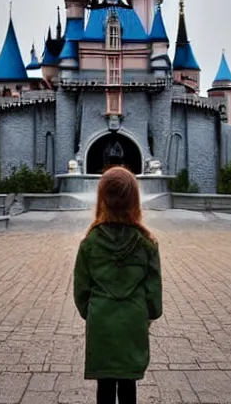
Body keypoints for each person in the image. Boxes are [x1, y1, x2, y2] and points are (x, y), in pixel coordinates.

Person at [73, 165, 163, 404]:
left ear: (102, 199)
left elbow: (81, 292)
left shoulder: (89, 243)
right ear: (134, 200)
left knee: (104, 388)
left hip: (101, 323)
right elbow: (154, 296)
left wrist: (93, 313)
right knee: (128, 386)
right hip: (133, 322)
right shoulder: (147, 244)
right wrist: (147, 314)